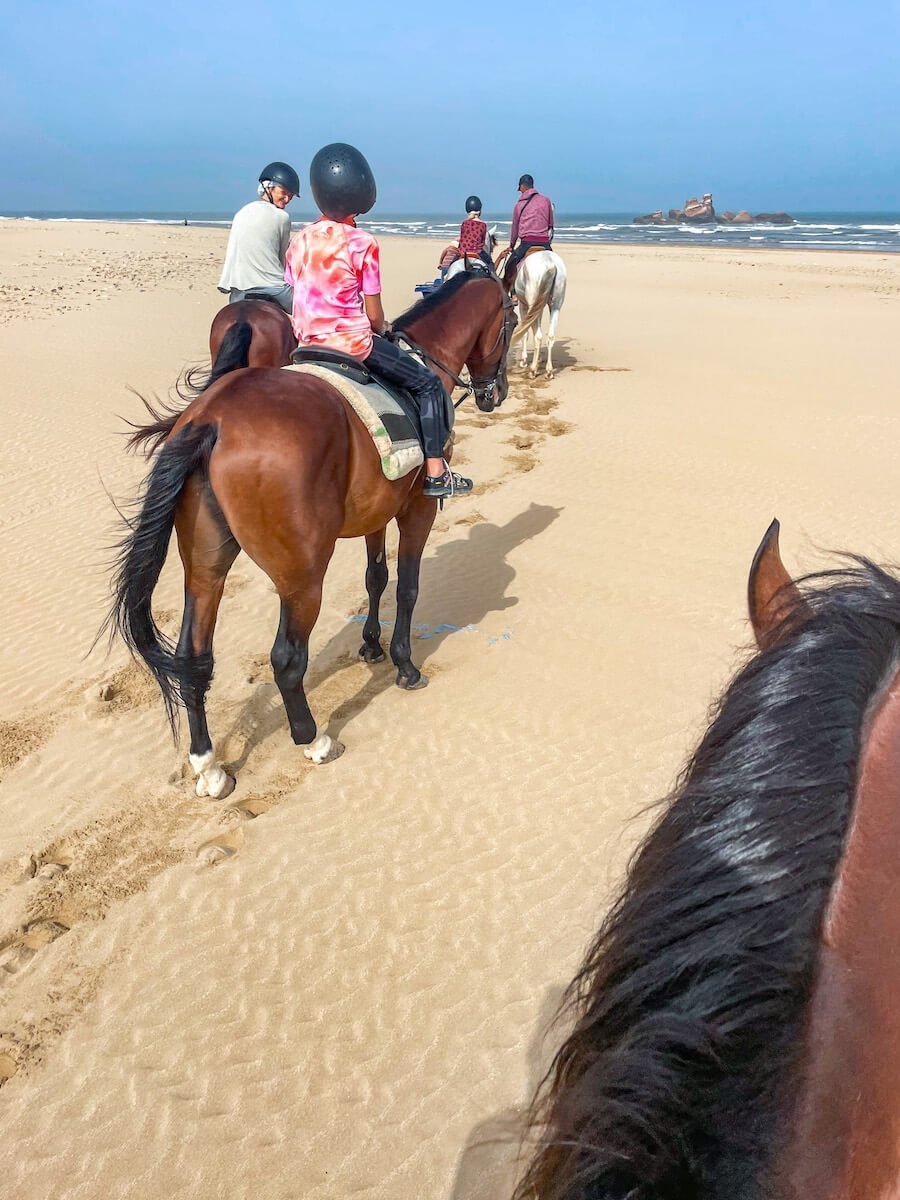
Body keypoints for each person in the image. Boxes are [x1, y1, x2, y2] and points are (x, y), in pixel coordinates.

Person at [284, 143, 472, 501]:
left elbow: (296, 290)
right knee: (430, 384)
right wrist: (382, 328)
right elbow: (373, 315)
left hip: (306, 346)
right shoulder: (362, 242)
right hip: (351, 344)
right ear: (361, 192)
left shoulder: (299, 240)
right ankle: (435, 472)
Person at [217, 161, 300, 313]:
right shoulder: (282, 217)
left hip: (239, 291)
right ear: (268, 187)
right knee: (310, 311)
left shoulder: (241, 213)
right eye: (284, 192)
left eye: (291, 196)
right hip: (274, 289)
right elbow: (282, 260)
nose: (287, 199)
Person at [504, 174, 555, 284]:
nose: (520, 191)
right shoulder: (546, 201)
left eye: (520, 189)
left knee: (509, 267)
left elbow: (515, 231)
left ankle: (513, 295)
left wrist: (512, 246)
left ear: (522, 186)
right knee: (555, 266)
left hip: (527, 243)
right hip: (544, 243)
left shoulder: (519, 205)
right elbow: (550, 224)